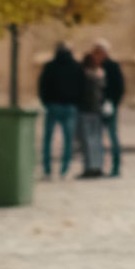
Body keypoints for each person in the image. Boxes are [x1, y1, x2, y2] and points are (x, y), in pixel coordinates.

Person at [35, 45, 89, 179]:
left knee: (48, 140)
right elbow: (83, 87)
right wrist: (77, 102)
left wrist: (46, 102)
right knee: (68, 141)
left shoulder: (50, 66)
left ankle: (47, 170)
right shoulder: (76, 66)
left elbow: (42, 86)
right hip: (70, 107)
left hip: (53, 106)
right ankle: (64, 170)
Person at [89, 40, 126, 177]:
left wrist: (112, 103)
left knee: (112, 137)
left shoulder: (112, 66)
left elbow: (119, 88)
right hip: (95, 107)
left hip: (109, 107)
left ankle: (115, 167)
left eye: (97, 52)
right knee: (97, 138)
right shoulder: (93, 67)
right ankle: (97, 166)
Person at [75, 45, 109, 178]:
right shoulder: (101, 74)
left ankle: (90, 167)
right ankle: (97, 166)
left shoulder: (85, 75)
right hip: (97, 110)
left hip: (86, 110)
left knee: (87, 141)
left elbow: (80, 92)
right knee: (97, 140)